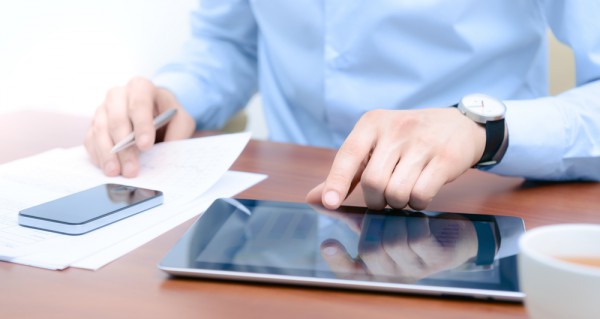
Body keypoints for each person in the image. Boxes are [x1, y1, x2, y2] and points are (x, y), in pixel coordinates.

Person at [84, 1, 600, 211]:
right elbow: (230, 43)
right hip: (287, 210)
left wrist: (483, 129)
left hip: (474, 205)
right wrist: (174, 95)